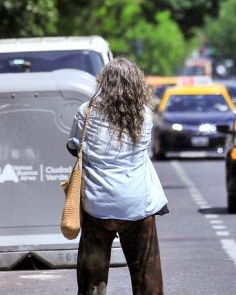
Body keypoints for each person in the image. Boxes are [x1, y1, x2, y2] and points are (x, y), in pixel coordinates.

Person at [66, 58, 168, 295]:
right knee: (145, 273)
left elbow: (73, 146)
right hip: (137, 205)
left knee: (92, 275)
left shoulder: (86, 111)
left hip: (97, 206)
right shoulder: (144, 114)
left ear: (104, 82)